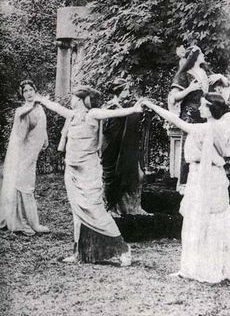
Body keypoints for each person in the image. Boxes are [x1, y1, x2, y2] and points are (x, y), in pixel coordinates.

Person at [142, 90, 230, 283]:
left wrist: (150, 105)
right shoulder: (227, 120)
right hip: (214, 176)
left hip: (202, 176)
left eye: (202, 105)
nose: (199, 108)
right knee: (221, 220)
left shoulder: (203, 129)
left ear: (210, 108)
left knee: (201, 219)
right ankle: (227, 266)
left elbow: (173, 119)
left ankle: (199, 267)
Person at [35, 86, 143, 266]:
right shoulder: (71, 115)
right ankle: (80, 252)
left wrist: (133, 109)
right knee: (77, 213)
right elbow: (54, 106)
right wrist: (41, 99)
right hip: (72, 170)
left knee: (95, 210)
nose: (71, 100)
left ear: (78, 99)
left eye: (73, 98)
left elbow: (111, 114)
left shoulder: (92, 114)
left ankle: (123, 249)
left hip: (89, 170)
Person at [0, 80, 50, 235]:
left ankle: (28, 220)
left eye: (31, 89)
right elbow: (20, 136)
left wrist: (45, 139)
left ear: (35, 90)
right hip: (23, 154)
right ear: (22, 94)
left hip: (32, 153)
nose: (29, 93)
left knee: (28, 184)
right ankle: (21, 222)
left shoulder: (40, 107)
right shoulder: (22, 111)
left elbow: (43, 126)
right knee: (22, 185)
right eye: (25, 91)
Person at [101, 77, 149, 216]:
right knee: (111, 176)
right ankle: (110, 207)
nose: (128, 92)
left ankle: (127, 207)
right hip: (111, 146)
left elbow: (130, 116)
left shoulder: (121, 106)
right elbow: (110, 128)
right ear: (118, 91)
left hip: (121, 146)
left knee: (126, 175)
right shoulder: (110, 106)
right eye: (126, 90)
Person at [168, 45, 210, 193]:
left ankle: (201, 182)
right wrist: (190, 89)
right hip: (190, 115)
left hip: (204, 114)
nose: (204, 55)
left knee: (205, 148)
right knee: (189, 148)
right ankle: (184, 183)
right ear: (195, 57)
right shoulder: (184, 74)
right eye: (201, 53)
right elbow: (174, 97)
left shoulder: (204, 72)